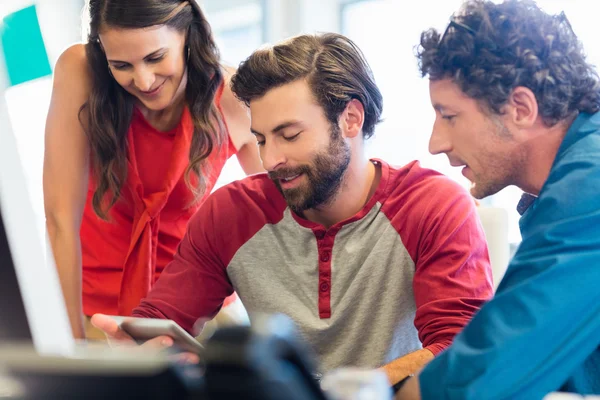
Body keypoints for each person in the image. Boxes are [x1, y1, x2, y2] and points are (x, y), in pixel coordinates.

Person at [91, 32, 493, 383]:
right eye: (262, 139)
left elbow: (462, 349)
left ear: (351, 119)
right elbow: (164, 320)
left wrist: (344, 392)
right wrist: (138, 345)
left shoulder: (433, 206)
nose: (271, 159)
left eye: (289, 134)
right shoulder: (229, 214)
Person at [395, 0, 600, 398]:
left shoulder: (590, 187)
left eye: (449, 115)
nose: (436, 143)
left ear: (520, 108)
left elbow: (488, 374)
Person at [43, 0, 263, 340]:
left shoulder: (233, 97)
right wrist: (70, 344)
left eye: (156, 58)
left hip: (201, 316)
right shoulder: (81, 71)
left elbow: (284, 227)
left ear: (187, 35)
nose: (143, 81)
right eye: (121, 65)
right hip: (100, 316)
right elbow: (60, 220)